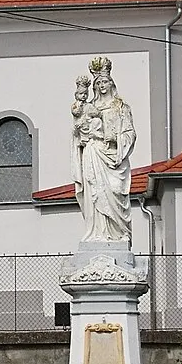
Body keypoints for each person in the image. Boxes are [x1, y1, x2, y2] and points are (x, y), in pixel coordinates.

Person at [72, 57, 136, 246]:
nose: (102, 85)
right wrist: (79, 132)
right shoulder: (89, 107)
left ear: (111, 82)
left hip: (113, 156)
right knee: (94, 193)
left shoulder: (121, 106)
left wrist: (115, 139)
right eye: (98, 82)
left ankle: (119, 233)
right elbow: (78, 131)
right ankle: (96, 233)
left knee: (115, 190)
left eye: (105, 81)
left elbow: (130, 133)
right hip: (93, 152)